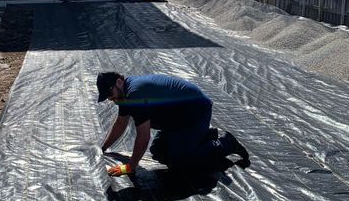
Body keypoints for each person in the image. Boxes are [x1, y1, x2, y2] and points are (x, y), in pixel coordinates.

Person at [97, 71, 249, 175]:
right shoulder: (123, 96)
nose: (110, 99)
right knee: (158, 152)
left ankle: (227, 143)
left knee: (179, 160)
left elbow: (143, 136)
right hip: (176, 119)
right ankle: (206, 135)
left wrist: (130, 166)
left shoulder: (135, 93)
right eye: (107, 97)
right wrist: (102, 147)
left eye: (110, 94)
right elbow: (120, 123)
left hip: (195, 113)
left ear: (118, 82)